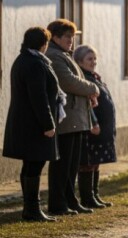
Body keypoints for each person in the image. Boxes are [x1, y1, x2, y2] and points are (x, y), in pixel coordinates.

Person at [3, 27, 62, 222]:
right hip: (34, 124)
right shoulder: (35, 63)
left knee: (31, 164)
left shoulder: (23, 60)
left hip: (26, 122)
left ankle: (31, 208)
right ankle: (32, 209)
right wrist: (48, 124)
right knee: (34, 164)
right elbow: (39, 97)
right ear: (43, 44)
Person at [45, 19, 99, 216]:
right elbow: (69, 82)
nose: (71, 40)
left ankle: (70, 200)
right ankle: (58, 203)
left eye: (73, 37)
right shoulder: (54, 55)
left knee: (72, 164)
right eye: (67, 36)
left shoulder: (63, 54)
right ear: (55, 37)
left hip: (76, 118)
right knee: (63, 164)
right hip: (67, 119)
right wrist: (93, 88)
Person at [74, 45, 116, 208]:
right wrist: (94, 122)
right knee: (88, 161)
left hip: (103, 127)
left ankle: (95, 194)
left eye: (94, 59)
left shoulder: (94, 76)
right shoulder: (82, 79)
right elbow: (86, 104)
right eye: (89, 59)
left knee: (96, 161)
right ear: (79, 61)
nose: (94, 62)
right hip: (92, 127)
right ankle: (87, 197)